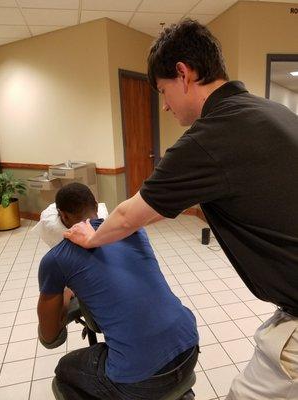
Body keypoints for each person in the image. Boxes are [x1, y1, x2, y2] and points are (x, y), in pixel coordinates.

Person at [63, 19, 298, 400]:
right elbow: (161, 202)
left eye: (163, 91)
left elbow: (127, 216)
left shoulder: (210, 137)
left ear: (183, 74)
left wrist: (92, 237)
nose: (166, 105)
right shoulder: (271, 112)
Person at [37, 182, 198, 400]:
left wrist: (65, 295)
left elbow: (50, 336)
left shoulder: (56, 259)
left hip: (142, 380)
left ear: (63, 216)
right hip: (189, 349)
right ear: (96, 205)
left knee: (64, 371)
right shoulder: (134, 230)